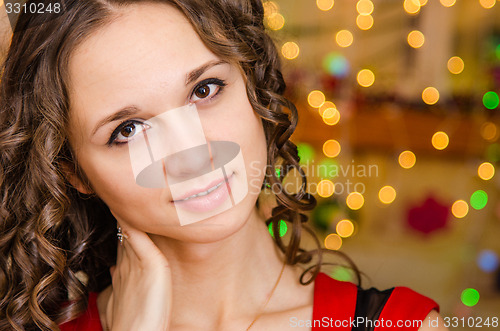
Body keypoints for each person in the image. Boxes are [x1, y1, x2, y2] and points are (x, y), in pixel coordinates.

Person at [0, 1, 448, 330]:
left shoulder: (401, 324)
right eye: (129, 130)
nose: (192, 154)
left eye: (204, 90)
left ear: (253, 87)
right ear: (73, 172)